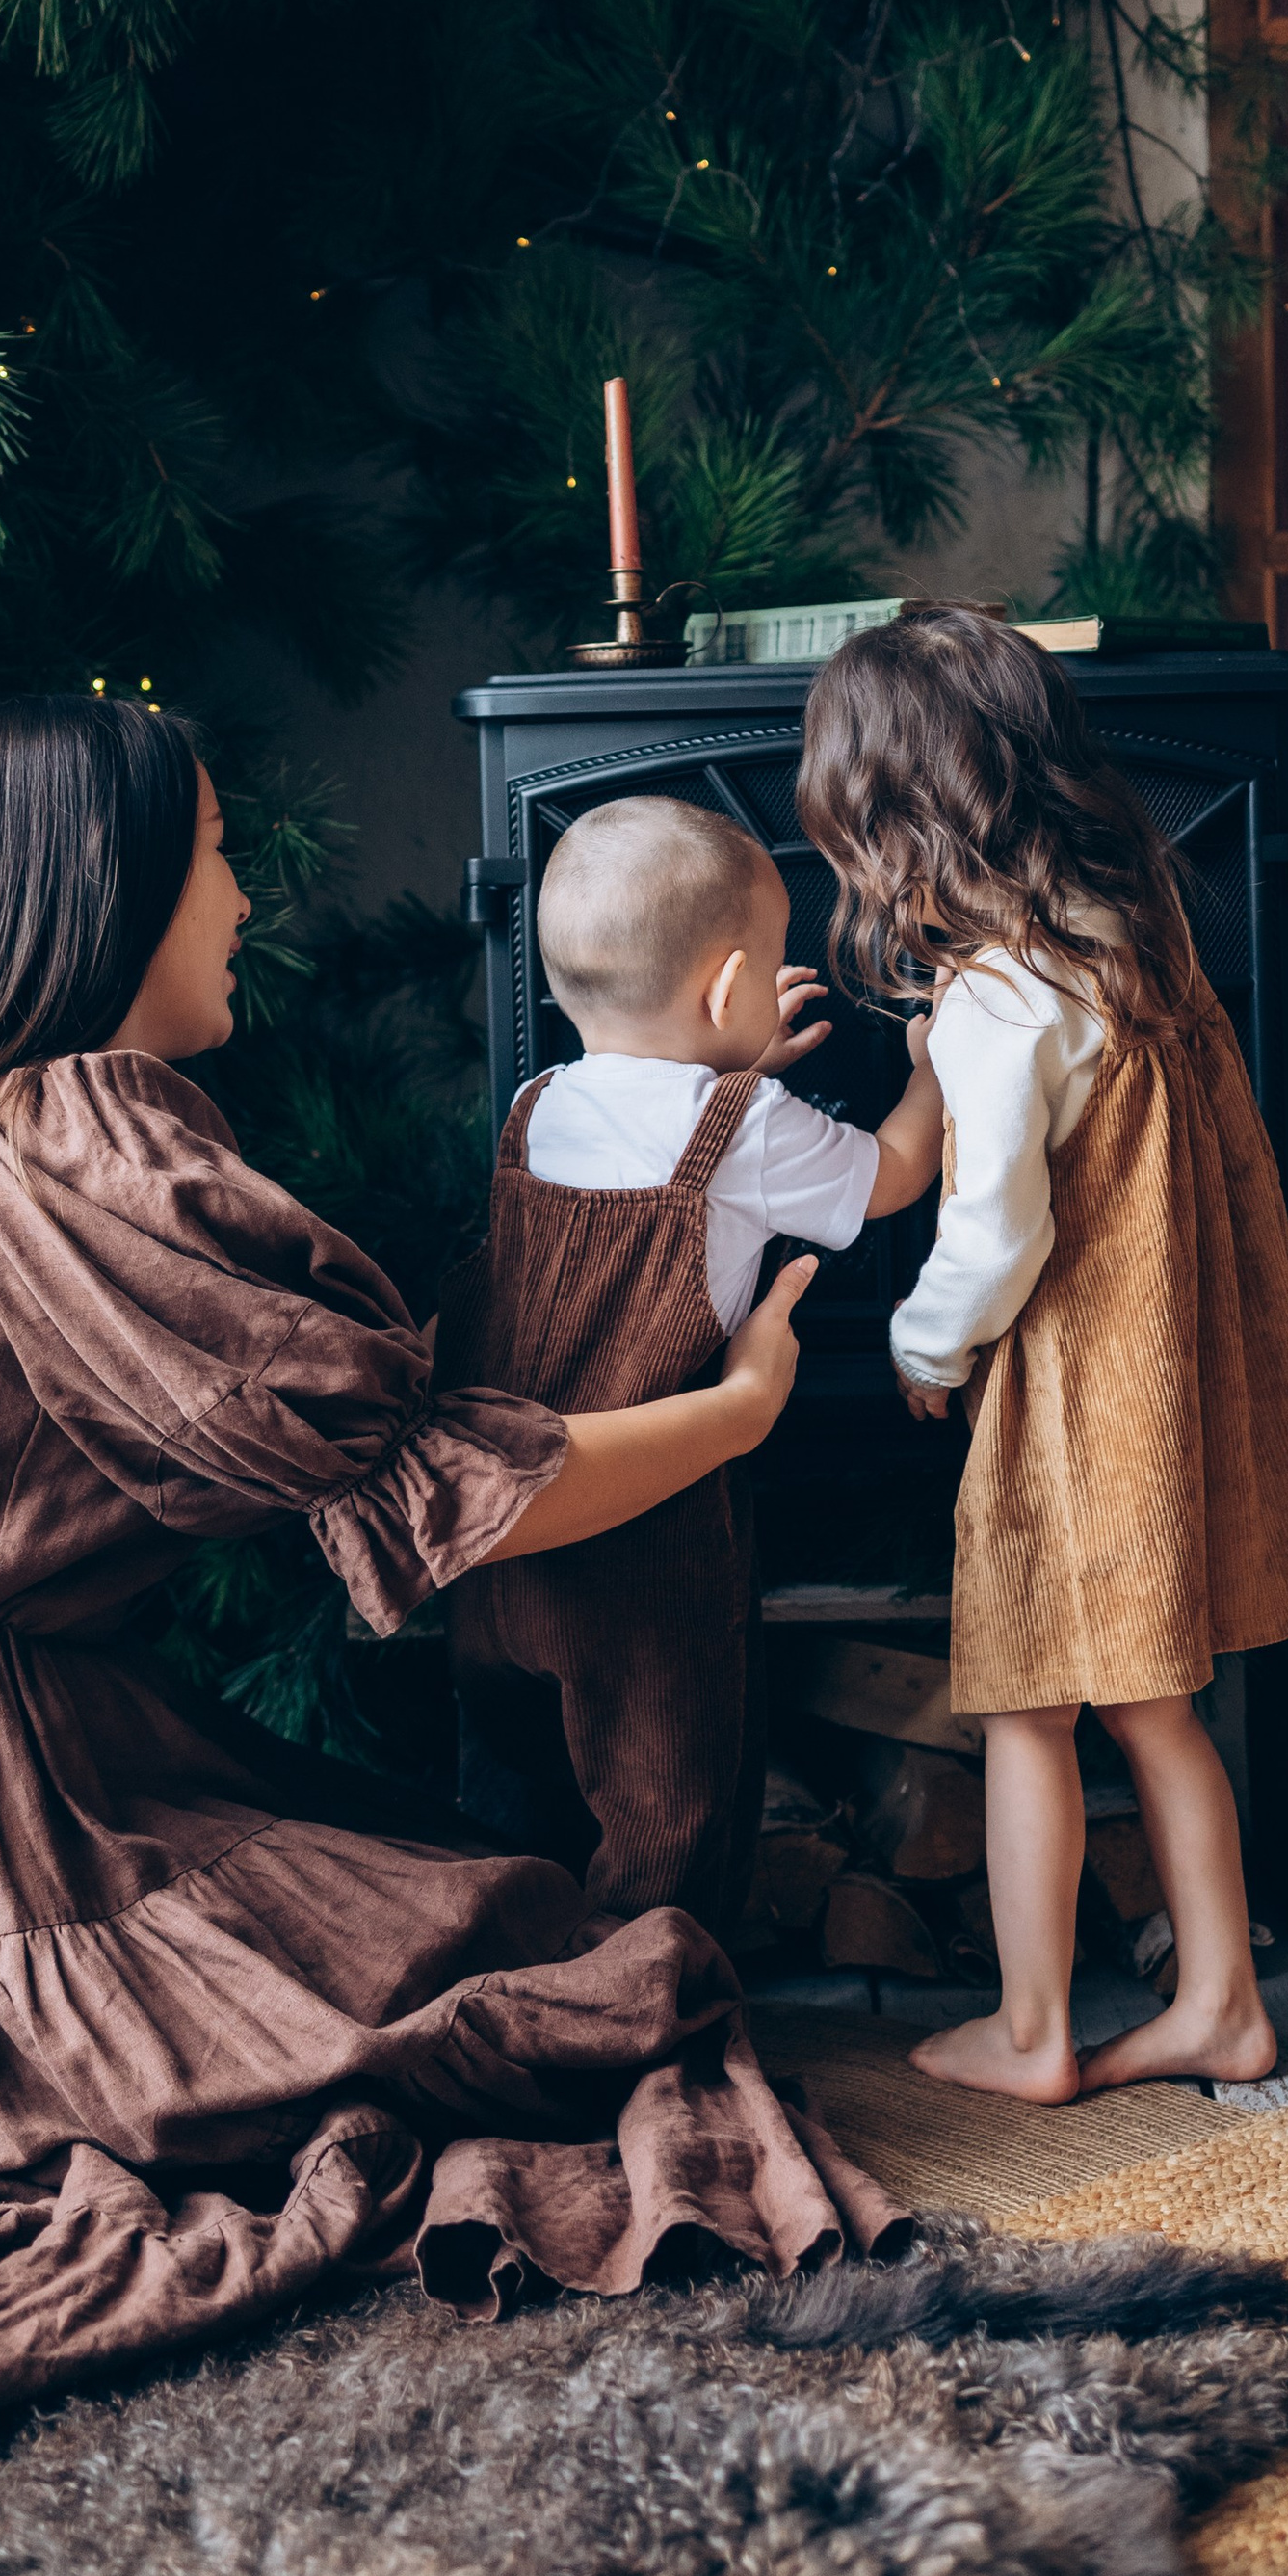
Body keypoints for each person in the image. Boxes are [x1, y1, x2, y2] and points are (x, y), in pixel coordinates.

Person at [0, 701, 899, 2470]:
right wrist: (736, 1406)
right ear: (111, 892)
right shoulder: (71, 1143)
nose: (241, 902)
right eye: (214, 856)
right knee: (564, 1975)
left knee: (461, 1902)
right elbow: (428, 1492)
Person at [797, 608, 1288, 2104]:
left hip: (1067, 1402)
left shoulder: (991, 998)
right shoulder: (1135, 932)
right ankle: (1223, 2003)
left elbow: (994, 1232)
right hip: (1165, 1374)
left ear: (891, 811)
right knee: (1157, 1707)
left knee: (1024, 1705)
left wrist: (924, 1341)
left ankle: (1036, 2025)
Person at [440, 798, 944, 1934]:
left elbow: (646, 1115)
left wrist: (728, 1061)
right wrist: (935, 1070)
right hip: (645, 1553)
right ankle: (657, 2004)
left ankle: (519, 1978)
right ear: (727, 991)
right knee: (672, 1802)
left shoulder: (535, 1106)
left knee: (521, 1800)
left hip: (501, 1541)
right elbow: (894, 1176)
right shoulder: (746, 1126)